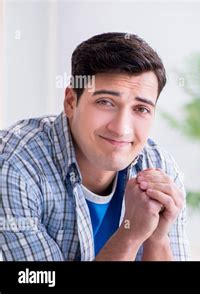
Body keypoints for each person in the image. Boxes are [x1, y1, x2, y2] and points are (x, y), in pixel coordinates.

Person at [0, 32, 190, 261]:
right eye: (105, 102)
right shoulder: (14, 167)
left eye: (141, 109)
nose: (121, 128)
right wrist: (130, 234)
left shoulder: (161, 168)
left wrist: (157, 239)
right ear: (71, 102)